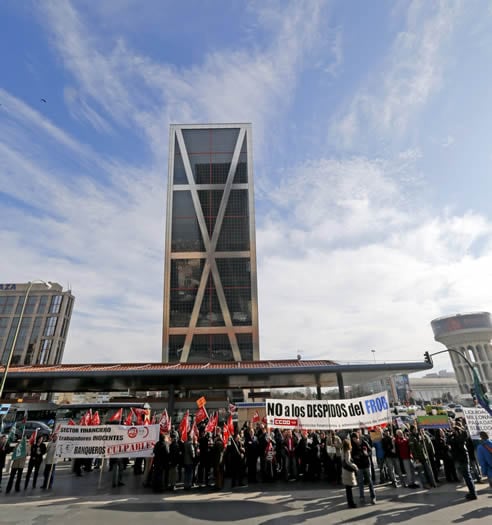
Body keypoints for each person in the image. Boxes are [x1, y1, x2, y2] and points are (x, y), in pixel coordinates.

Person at [448, 423, 477, 500]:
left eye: (454, 431)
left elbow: (449, 441)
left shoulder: (457, 439)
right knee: (468, 476)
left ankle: (473, 493)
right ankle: (472, 492)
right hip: (463, 458)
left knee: (467, 477)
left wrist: (452, 434)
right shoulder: (460, 437)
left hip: (462, 459)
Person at [351, 431, 376, 505]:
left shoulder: (364, 443)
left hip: (366, 464)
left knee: (369, 481)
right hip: (359, 466)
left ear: (358, 438)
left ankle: (373, 497)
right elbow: (352, 456)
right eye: (353, 439)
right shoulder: (353, 446)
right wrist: (355, 457)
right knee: (360, 482)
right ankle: (362, 497)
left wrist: (367, 454)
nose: (354, 440)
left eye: (355, 439)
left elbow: (370, 451)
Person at [341, 438, 358, 508]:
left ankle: (350, 502)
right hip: (348, 471)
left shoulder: (342, 450)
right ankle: (351, 503)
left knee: (347, 488)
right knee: (349, 488)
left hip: (344, 470)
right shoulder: (347, 451)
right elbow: (348, 461)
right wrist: (355, 466)